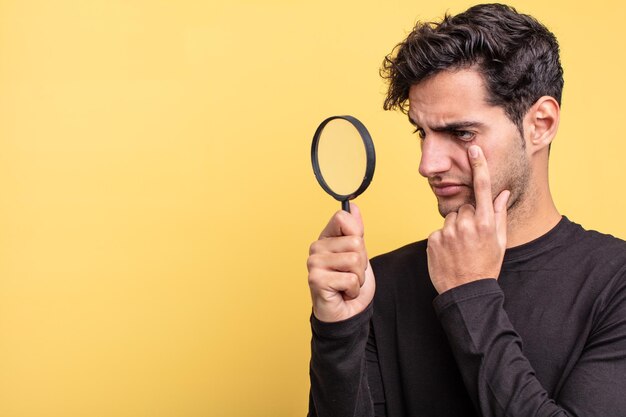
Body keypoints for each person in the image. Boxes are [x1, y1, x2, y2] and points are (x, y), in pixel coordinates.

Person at [306, 3, 626, 417]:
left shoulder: (615, 284)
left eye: (460, 132)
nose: (427, 164)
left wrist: (468, 294)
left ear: (540, 124)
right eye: (422, 133)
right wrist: (338, 333)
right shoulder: (376, 283)